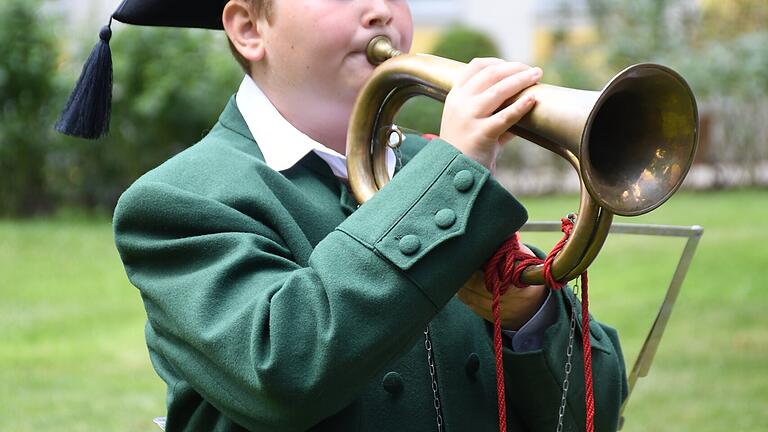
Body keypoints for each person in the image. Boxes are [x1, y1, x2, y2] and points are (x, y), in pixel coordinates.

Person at [59, 0, 628, 430]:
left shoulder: (432, 166)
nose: (381, 11)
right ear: (250, 29)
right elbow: (284, 372)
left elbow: (595, 411)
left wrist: (526, 314)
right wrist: (447, 179)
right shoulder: (179, 200)